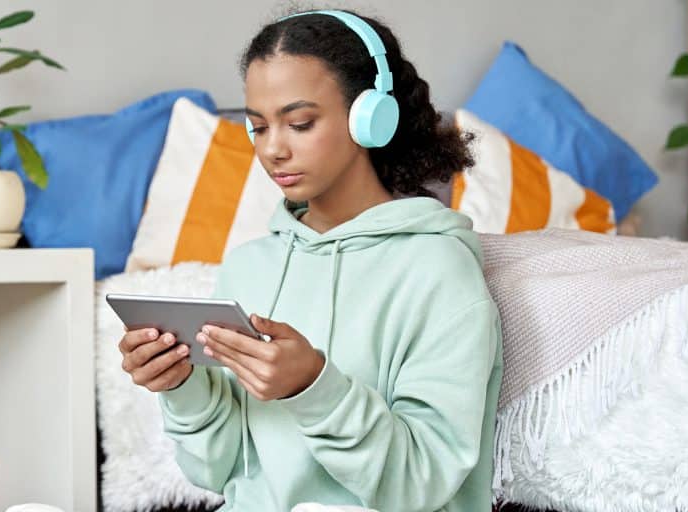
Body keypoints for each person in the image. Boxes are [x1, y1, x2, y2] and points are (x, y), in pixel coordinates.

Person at [117, 8, 502, 511]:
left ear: (370, 117)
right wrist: (182, 385)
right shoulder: (249, 266)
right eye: (258, 127)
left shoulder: (436, 270)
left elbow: (421, 483)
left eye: (300, 123)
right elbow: (218, 471)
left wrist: (312, 387)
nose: (274, 149)